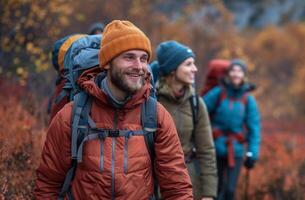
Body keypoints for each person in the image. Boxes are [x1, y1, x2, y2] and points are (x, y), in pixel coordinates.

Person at [35, 20, 193, 199]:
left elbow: (177, 188)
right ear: (107, 63)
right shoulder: (72, 115)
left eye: (143, 58)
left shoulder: (156, 115)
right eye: (129, 57)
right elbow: (48, 184)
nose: (139, 66)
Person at [155, 40, 218, 200]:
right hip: (156, 184)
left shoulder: (196, 103)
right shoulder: (152, 101)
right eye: (188, 64)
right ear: (172, 69)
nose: (194, 69)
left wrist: (208, 194)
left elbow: (206, 151)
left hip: (189, 183)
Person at [203, 59, 261, 200]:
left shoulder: (248, 99)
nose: (236, 74)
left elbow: (254, 127)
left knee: (230, 191)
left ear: (244, 75)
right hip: (215, 147)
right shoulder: (218, 93)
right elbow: (200, 111)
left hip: (236, 151)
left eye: (239, 71)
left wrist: (253, 153)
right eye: (233, 71)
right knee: (215, 189)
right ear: (228, 74)